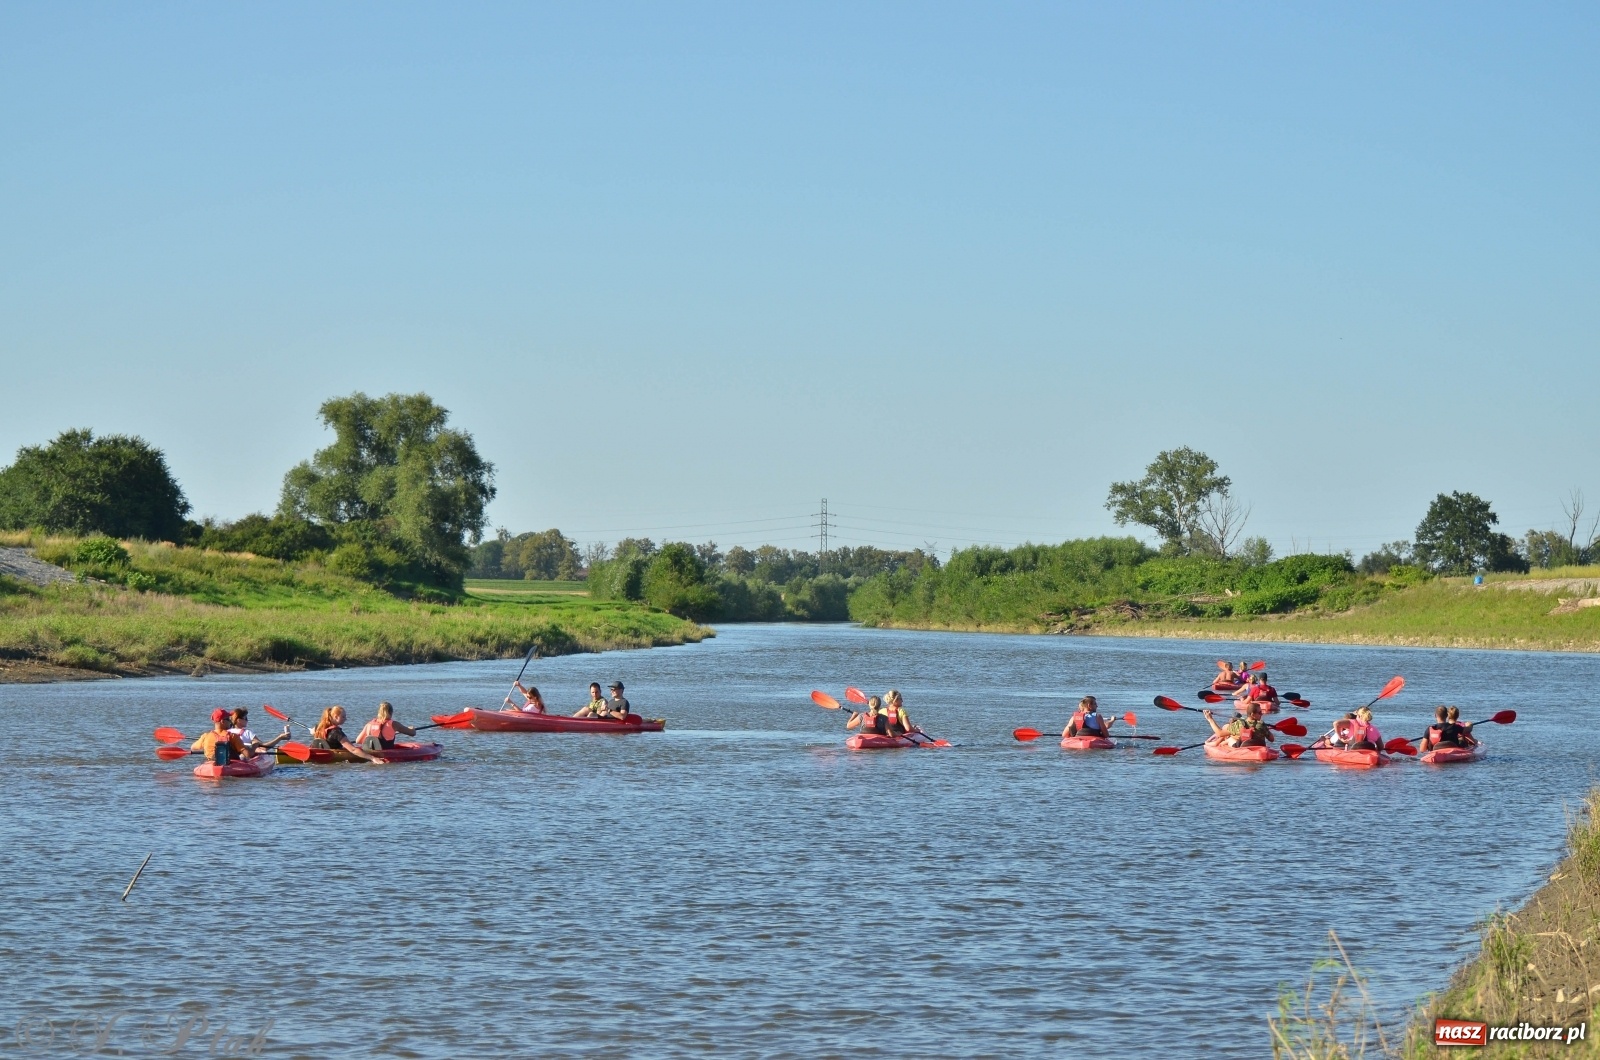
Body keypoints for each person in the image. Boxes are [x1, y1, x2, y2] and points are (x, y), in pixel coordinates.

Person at [311, 706, 386, 764]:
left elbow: (313, 732)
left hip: (319, 752)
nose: (345, 719)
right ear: (335, 717)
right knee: (355, 749)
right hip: (332, 756)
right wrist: (373, 758)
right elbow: (353, 750)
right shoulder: (336, 732)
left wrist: (313, 731)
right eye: (343, 717)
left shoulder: (319, 727)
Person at [1203, 702, 1274, 747]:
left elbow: (1219, 733)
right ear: (1252, 714)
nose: (1262, 714)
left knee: (1230, 738)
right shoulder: (1261, 724)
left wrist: (1210, 719)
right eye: (1259, 712)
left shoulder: (1239, 724)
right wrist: (1266, 729)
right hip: (1259, 748)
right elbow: (1271, 739)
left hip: (1244, 748)